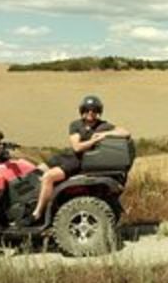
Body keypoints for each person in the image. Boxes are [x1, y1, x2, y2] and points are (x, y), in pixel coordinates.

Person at [26, 95, 130, 224]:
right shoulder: (76, 125)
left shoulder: (103, 126)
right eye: (87, 110)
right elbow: (76, 146)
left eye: (94, 110)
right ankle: (31, 203)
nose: (90, 113)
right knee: (33, 173)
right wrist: (93, 140)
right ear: (82, 111)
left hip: (78, 161)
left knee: (48, 177)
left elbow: (125, 132)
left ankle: (38, 213)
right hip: (65, 156)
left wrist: (104, 134)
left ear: (98, 112)